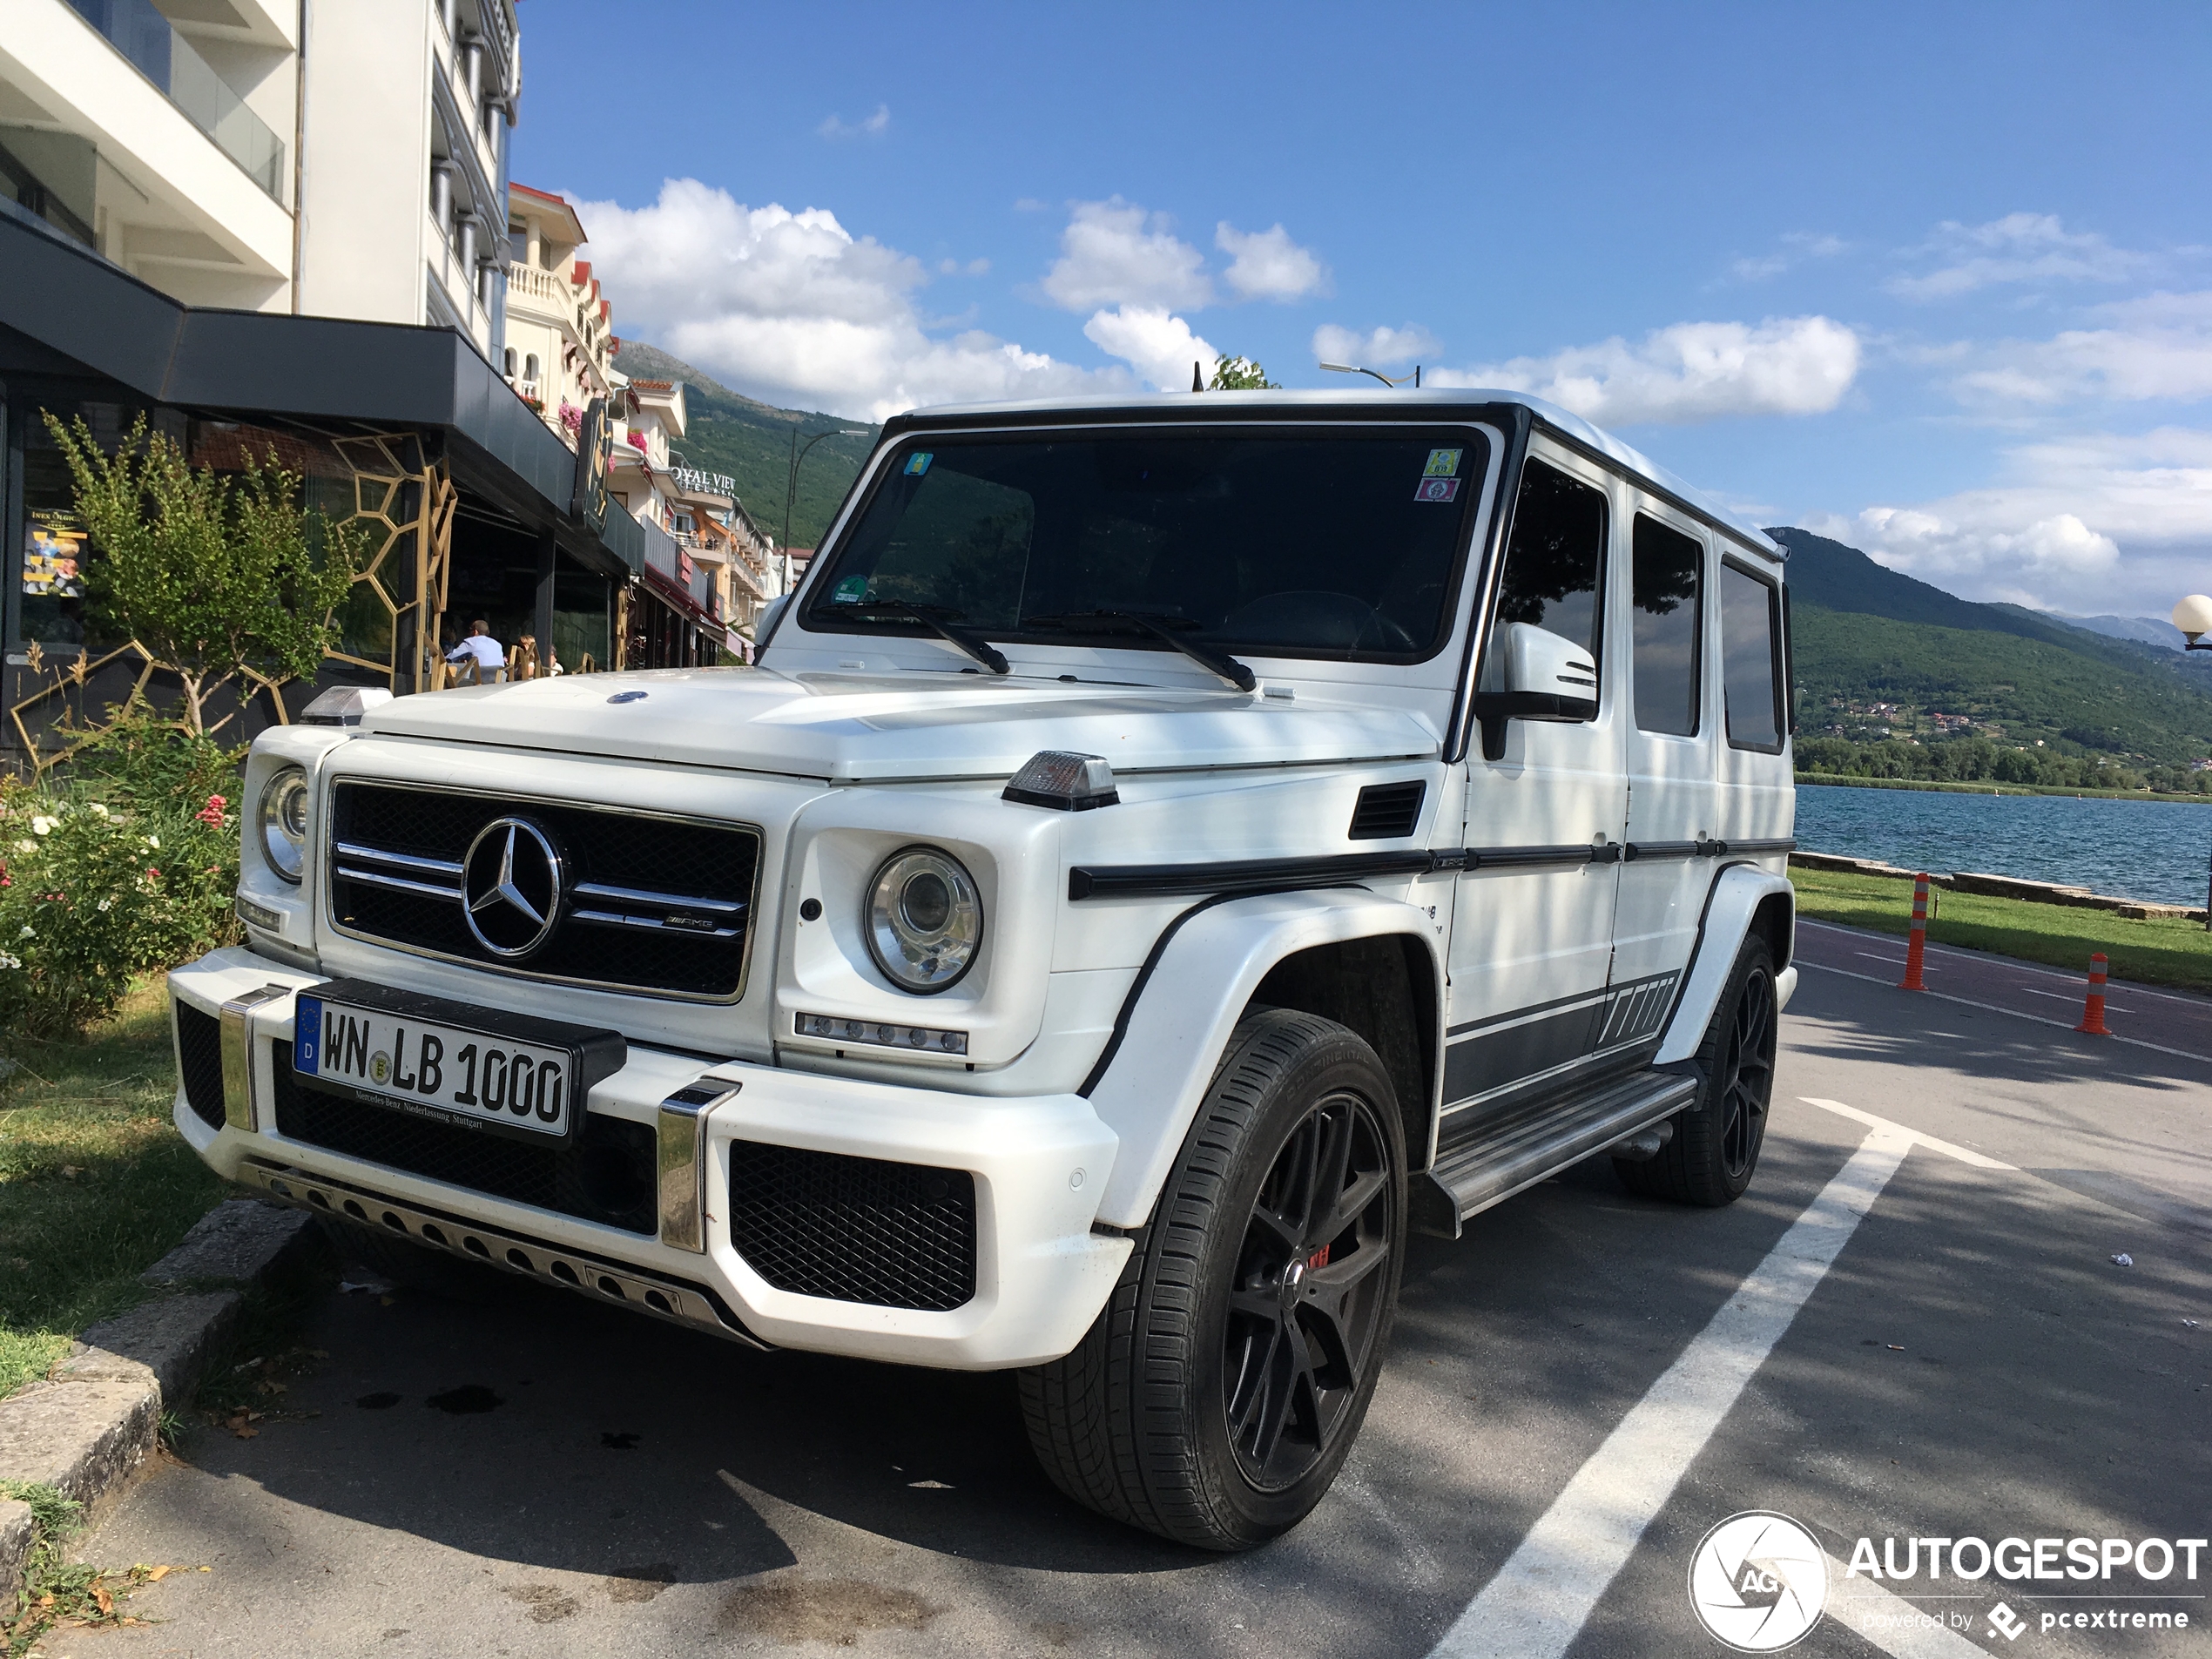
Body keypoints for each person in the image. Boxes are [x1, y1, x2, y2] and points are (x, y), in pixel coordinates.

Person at [445, 619, 507, 685]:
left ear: (475, 631)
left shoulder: (471, 642)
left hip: (479, 680)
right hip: (499, 679)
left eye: (470, 630)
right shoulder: (497, 644)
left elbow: (450, 657)